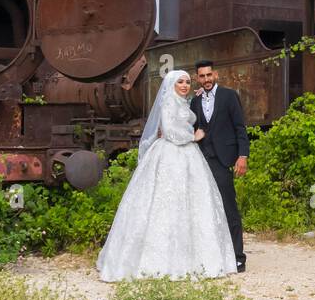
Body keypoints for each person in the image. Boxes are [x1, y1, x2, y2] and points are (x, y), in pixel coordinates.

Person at [96, 69, 238, 281]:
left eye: (187, 82)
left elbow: (187, 114)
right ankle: (158, 262)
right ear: (171, 84)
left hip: (188, 157)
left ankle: (192, 258)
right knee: (164, 203)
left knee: (193, 205)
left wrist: (196, 97)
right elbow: (171, 132)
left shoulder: (183, 101)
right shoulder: (168, 102)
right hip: (172, 153)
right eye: (180, 82)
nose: (184, 85)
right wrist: (193, 136)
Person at [191, 59, 248, 272]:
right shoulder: (195, 101)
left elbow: (240, 128)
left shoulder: (229, 96)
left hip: (224, 160)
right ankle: (214, 254)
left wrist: (242, 156)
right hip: (202, 160)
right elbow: (192, 127)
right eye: (202, 76)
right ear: (198, 78)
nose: (206, 79)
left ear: (215, 75)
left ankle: (238, 257)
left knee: (228, 206)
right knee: (205, 208)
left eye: (208, 75)